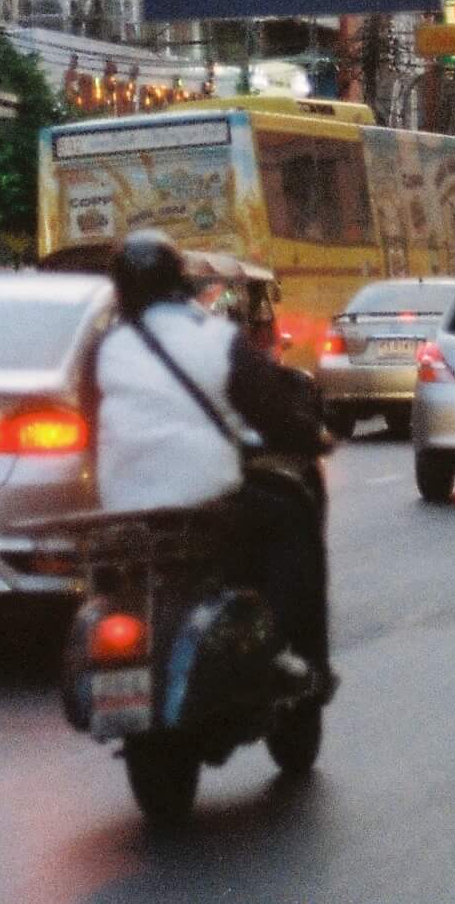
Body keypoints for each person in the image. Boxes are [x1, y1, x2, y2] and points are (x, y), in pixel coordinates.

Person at [95, 230, 334, 697]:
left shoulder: (103, 349)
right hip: (209, 499)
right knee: (292, 516)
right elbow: (274, 411)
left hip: (121, 505)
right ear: (179, 284)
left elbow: (87, 416)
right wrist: (312, 436)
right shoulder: (215, 339)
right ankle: (288, 651)